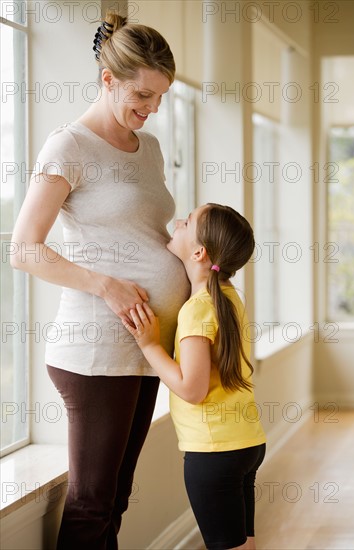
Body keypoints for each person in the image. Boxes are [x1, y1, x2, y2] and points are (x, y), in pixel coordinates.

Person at [11, 11, 190, 550]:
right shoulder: (67, 147)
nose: (151, 109)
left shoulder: (150, 149)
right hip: (95, 346)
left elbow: (142, 233)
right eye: (141, 96)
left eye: (159, 98)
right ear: (107, 80)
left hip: (144, 343)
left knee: (117, 495)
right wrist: (106, 285)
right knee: (92, 500)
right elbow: (23, 249)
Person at [123, 203, 266, 550]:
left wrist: (149, 345)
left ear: (199, 252)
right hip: (247, 442)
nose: (176, 222)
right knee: (240, 544)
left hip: (214, 452)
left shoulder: (198, 309)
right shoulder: (230, 298)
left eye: (186, 222)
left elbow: (192, 388)